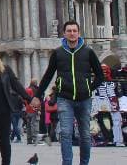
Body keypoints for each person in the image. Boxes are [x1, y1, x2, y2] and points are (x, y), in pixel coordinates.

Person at [34, 20, 105, 165]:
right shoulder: (58, 53)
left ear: (78, 33)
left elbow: (100, 75)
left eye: (74, 31)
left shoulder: (88, 52)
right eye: (69, 31)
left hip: (84, 100)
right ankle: (67, 163)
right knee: (65, 133)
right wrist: (37, 95)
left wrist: (89, 88)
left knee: (85, 134)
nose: (72, 33)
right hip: (65, 98)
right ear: (64, 33)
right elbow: (48, 75)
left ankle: (84, 163)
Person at [24, 79, 41, 145]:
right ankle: (35, 139)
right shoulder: (35, 90)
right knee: (35, 124)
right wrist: (39, 109)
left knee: (28, 125)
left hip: (28, 109)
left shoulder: (27, 89)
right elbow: (37, 100)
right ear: (35, 83)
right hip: (34, 109)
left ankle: (29, 140)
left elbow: (24, 99)